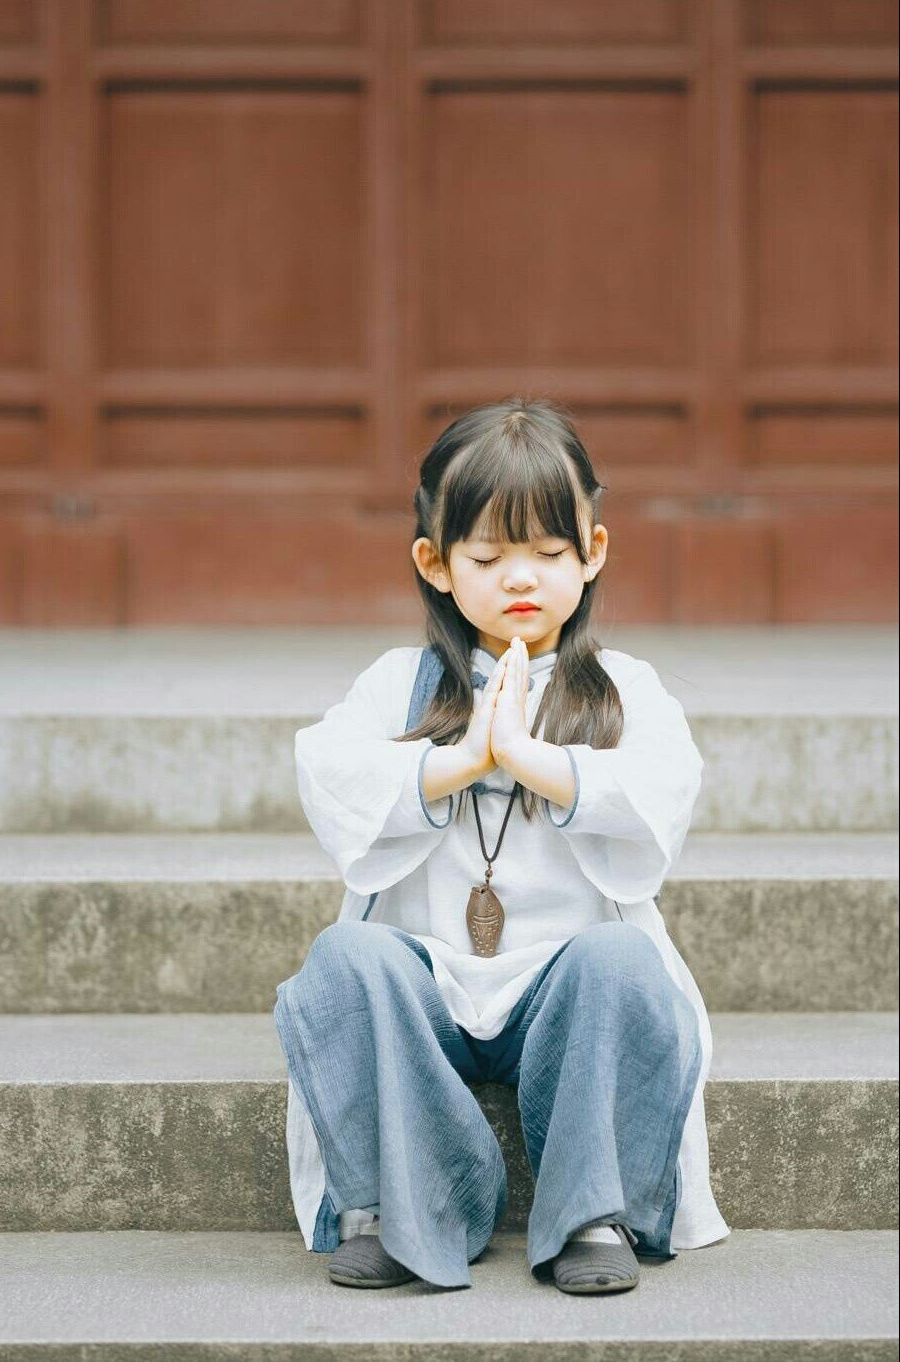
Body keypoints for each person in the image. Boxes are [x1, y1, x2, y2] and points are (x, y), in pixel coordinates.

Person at [273, 397, 730, 1294]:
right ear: (435, 565)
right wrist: (461, 763)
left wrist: (536, 761)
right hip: (430, 982)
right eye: (487, 557)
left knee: (622, 960)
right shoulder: (396, 684)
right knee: (344, 959)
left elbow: (660, 797)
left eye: (550, 554)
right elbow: (330, 774)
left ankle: (591, 1212)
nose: (520, 577)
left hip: (559, 988)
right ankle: (409, 1205)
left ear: (593, 552)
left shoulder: (624, 688)